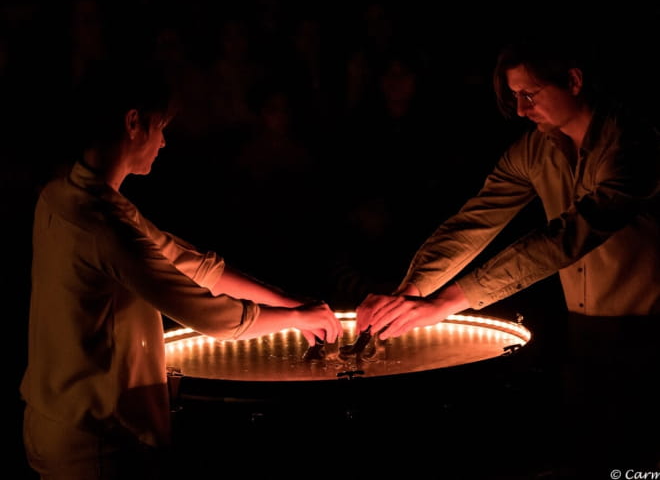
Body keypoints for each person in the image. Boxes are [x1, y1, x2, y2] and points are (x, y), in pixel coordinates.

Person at [19, 56, 342, 480]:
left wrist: (291, 303)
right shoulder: (104, 226)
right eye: (162, 128)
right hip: (95, 441)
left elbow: (192, 264)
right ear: (134, 122)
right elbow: (208, 314)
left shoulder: (61, 196)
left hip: (50, 423)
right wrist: (295, 319)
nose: (164, 144)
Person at [355, 34, 660, 474]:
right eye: (515, 96)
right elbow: (474, 222)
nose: (520, 110)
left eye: (530, 94)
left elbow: (567, 237)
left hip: (650, 334)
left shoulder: (633, 142)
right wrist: (412, 291)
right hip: (583, 333)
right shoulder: (534, 149)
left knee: (640, 459)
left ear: (574, 81)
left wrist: (447, 302)